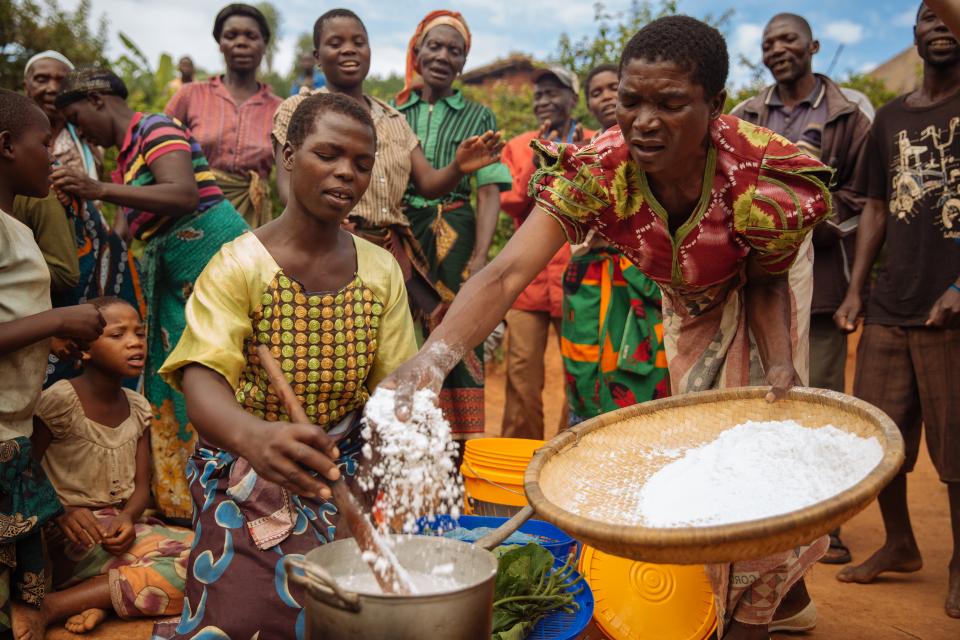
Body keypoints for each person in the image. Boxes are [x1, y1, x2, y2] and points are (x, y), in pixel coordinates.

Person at [384, 17, 834, 639]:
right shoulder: (601, 166)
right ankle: (772, 595)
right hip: (688, 294)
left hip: (767, 283)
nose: (644, 120)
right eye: (630, 101)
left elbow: (763, 285)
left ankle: (749, 614)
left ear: (715, 106)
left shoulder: (762, 178)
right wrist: (430, 360)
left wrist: (781, 367)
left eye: (671, 104)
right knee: (699, 440)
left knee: (756, 441)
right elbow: (509, 272)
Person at [153, 93, 417, 639]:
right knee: (245, 619)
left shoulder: (382, 270)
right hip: (249, 469)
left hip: (343, 469)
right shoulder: (237, 265)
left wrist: (369, 480)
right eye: (329, 154)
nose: (347, 172)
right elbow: (201, 381)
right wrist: (256, 438)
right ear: (289, 156)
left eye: (362, 163)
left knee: (362, 610)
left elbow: (396, 393)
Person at [51, 68, 249, 523]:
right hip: (174, 266)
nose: (81, 132)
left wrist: (96, 188)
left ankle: (227, 488)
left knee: (213, 366)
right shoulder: (125, 159)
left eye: (78, 119)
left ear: (98, 101)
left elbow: (182, 193)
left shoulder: (155, 127)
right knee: (175, 370)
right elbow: (122, 232)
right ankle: (185, 497)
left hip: (207, 253)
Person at [731, 12, 873, 566]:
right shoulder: (747, 114)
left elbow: (870, 203)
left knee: (819, 399)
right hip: (760, 282)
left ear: (813, 45)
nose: (777, 49)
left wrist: (811, 199)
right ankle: (765, 520)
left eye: (788, 39)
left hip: (827, 283)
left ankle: (824, 525)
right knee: (763, 393)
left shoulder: (849, 111)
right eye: (768, 43)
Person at [833, 2, 960, 619]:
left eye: (948, 16)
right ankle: (901, 543)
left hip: (952, 309)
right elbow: (876, 210)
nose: (937, 26)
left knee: (956, 448)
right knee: (882, 441)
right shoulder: (887, 119)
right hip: (891, 303)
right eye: (926, 18)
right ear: (913, 35)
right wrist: (857, 290)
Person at [272, 10, 502, 340]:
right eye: (335, 43)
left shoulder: (393, 118)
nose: (349, 49)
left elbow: (428, 184)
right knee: (326, 347)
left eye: (358, 42)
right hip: (325, 250)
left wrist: (457, 167)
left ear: (370, 51)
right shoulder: (299, 108)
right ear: (317, 57)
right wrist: (332, 227)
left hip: (390, 256)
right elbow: (286, 186)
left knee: (391, 355)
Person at [0, 87, 106, 640]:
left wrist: (49, 339)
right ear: (6, 146)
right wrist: (59, 322)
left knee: (24, 595)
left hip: (12, 434)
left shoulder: (15, 225)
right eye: (45, 142)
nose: (57, 155)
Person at [32, 297, 193, 635]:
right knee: (193, 569)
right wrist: (60, 511)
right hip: (73, 534)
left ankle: (97, 597)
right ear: (85, 350)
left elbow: (140, 486)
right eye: (118, 335)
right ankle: (54, 606)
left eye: (139, 332)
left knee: (212, 553)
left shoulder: (137, 407)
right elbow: (24, 471)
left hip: (122, 528)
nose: (135, 341)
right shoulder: (60, 401)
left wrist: (127, 517)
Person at [392, 10, 512, 438]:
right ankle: (404, 431)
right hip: (402, 233)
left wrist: (480, 256)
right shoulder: (392, 111)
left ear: (463, 62)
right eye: (435, 46)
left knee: (460, 326)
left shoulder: (478, 116)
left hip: (458, 233)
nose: (443, 56)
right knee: (401, 324)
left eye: (454, 51)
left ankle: (459, 440)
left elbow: (487, 189)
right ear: (417, 52)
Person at [14, 50, 144, 389]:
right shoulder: (14, 134)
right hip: (37, 254)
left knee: (91, 349)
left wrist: (113, 241)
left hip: (85, 257)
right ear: (25, 85)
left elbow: (116, 189)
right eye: (42, 79)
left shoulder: (89, 139)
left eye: (60, 80)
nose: (51, 87)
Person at [562, 63, 669, 425]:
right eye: (597, 92)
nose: (606, 96)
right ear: (588, 104)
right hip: (591, 277)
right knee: (586, 366)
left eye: (614, 88)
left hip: (645, 277)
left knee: (647, 375)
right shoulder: (582, 152)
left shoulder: (659, 143)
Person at [499, 65, 594, 439]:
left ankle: (565, 453)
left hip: (577, 274)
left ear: (573, 99)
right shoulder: (520, 145)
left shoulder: (593, 141)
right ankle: (519, 461)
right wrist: (536, 168)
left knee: (580, 370)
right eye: (539, 95)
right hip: (529, 276)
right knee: (521, 371)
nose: (544, 101)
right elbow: (508, 200)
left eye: (553, 93)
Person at [165, 4, 283, 228]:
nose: (241, 42)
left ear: (264, 44)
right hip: (192, 215)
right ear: (220, 44)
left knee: (246, 264)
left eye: (251, 36)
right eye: (231, 35)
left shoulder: (280, 109)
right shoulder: (189, 95)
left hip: (251, 217)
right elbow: (157, 149)